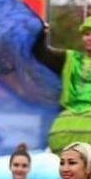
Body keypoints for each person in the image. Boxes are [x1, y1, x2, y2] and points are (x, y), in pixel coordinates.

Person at [35, 17, 91, 151]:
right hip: (66, 127)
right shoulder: (70, 58)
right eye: (86, 34)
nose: (89, 38)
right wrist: (41, 34)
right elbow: (42, 54)